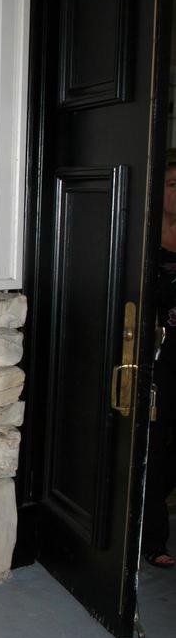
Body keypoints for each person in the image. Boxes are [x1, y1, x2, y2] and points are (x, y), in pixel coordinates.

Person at [142, 150, 176, 569]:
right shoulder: (147, 239)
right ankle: (154, 540)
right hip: (157, 356)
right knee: (156, 446)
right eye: (172, 184)